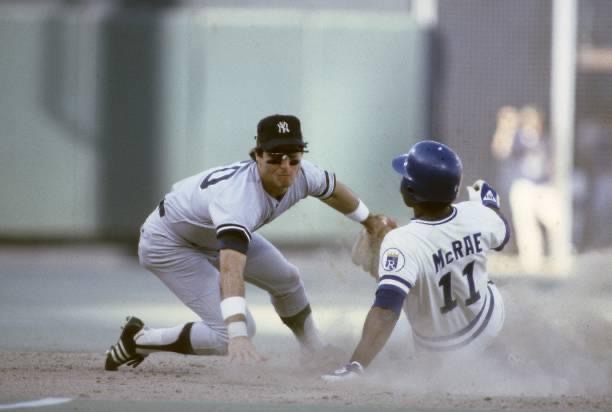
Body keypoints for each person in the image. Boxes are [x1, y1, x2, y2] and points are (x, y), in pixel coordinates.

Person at [104, 114, 392, 370]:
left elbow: (334, 191)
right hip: (169, 244)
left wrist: (370, 222)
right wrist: (238, 335)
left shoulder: (303, 173)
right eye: (275, 157)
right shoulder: (238, 199)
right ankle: (138, 340)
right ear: (256, 155)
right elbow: (232, 269)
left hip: (207, 236)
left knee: (287, 278)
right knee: (227, 335)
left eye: (293, 157)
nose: (286, 166)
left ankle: (313, 349)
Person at [322, 140, 511, 381]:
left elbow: (386, 311)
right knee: (487, 286)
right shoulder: (478, 214)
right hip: (491, 320)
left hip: (445, 353)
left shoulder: (401, 241)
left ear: (410, 193)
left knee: (402, 299)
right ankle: (502, 354)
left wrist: (356, 364)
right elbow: (503, 234)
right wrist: (491, 205)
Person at [491, 105, 566, 273]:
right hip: (523, 186)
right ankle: (532, 265)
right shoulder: (516, 137)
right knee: (526, 227)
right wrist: (505, 126)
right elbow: (500, 150)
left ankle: (561, 258)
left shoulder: (546, 138)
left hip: (544, 187)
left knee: (557, 222)